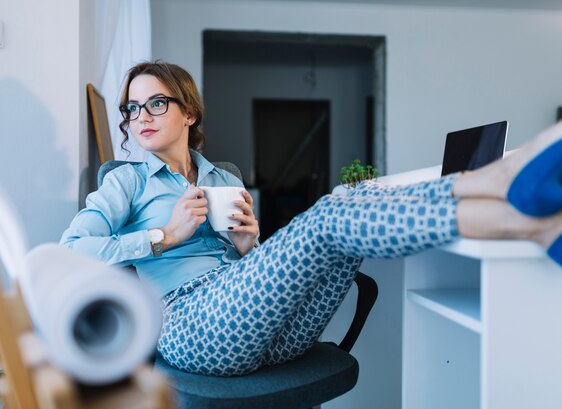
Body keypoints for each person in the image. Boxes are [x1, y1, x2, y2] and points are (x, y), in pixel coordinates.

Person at [61, 61, 562, 376]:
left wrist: (248, 247)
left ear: (188, 113)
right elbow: (70, 251)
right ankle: (511, 198)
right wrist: (163, 236)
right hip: (190, 327)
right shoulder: (124, 181)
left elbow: (252, 273)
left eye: (155, 102)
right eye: (131, 108)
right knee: (333, 211)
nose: (140, 114)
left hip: (265, 334)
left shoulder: (221, 178)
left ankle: (529, 215)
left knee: (348, 226)